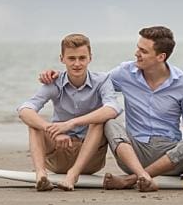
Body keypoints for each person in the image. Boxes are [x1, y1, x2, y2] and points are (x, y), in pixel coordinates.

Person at [41, 26, 183, 192]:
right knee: (108, 121)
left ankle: (132, 179)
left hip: (170, 157)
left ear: (161, 56)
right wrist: (59, 75)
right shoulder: (125, 73)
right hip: (132, 154)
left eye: (143, 51)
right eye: (138, 47)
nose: (137, 53)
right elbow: (93, 83)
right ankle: (140, 175)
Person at [16, 33, 120, 190]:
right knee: (34, 124)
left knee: (98, 121)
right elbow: (25, 109)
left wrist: (69, 124)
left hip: (89, 158)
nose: (77, 63)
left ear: (90, 58)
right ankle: (41, 175)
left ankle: (73, 175)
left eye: (82, 58)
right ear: (62, 59)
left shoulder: (103, 81)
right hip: (59, 151)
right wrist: (51, 130)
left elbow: (112, 109)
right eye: (71, 58)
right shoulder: (54, 82)